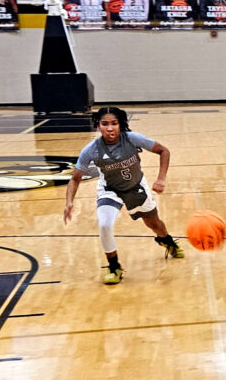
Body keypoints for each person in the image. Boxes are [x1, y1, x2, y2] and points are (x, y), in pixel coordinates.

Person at [63, 107, 184, 285]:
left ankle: (166, 241)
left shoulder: (132, 139)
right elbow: (75, 178)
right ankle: (114, 267)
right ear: (98, 126)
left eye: (114, 123)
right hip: (110, 190)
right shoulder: (92, 149)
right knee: (104, 225)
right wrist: (69, 202)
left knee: (154, 223)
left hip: (136, 187)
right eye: (105, 124)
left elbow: (164, 151)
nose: (110, 128)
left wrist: (161, 179)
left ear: (121, 125)